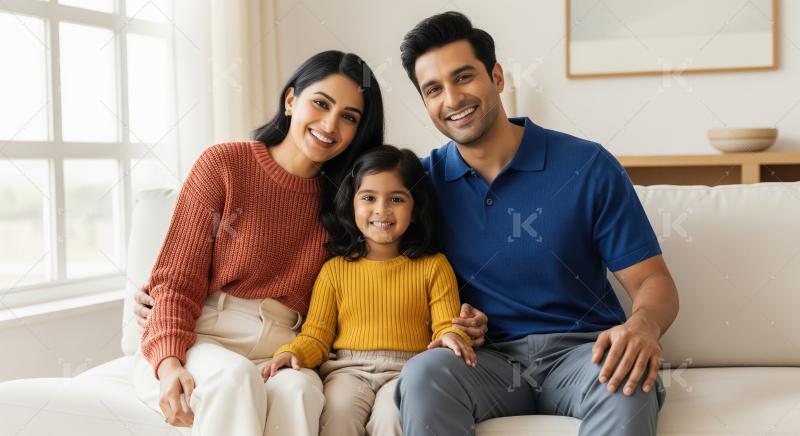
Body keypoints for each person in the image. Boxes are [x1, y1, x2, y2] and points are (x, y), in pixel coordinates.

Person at [394, 11, 679, 436]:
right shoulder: (417, 184)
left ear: (496, 76)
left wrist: (642, 327)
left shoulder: (587, 166)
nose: (452, 99)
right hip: (483, 361)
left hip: (583, 354)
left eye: (464, 77)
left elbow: (654, 282)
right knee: (421, 376)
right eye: (433, 89)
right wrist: (448, 320)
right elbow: (377, 267)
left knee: (631, 378)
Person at [131, 50, 385, 436]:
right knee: (235, 379)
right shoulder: (224, 166)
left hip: (284, 346)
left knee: (301, 391)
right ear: (290, 100)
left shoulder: (348, 201)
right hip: (204, 336)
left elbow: (386, 269)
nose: (330, 124)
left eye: (349, 117)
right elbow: (176, 281)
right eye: (321, 103)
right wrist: (169, 363)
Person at [264, 145, 475, 436]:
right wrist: (292, 352)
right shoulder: (334, 270)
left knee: (391, 419)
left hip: (406, 371)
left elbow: (445, 328)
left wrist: (453, 335)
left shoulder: (434, 266)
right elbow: (316, 336)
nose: (382, 209)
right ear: (352, 205)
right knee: (338, 415)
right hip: (347, 371)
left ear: (415, 210)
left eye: (397, 199)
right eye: (369, 198)